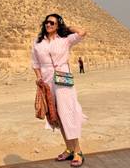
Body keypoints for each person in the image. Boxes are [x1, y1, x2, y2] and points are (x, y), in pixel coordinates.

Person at [31, 14, 87, 167]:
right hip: (47, 80)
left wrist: (66, 28)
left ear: (57, 25)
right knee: (57, 116)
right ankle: (69, 149)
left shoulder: (65, 40)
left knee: (68, 112)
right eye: (47, 22)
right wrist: (38, 78)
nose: (48, 25)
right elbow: (35, 63)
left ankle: (78, 151)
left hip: (62, 77)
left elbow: (82, 32)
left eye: (52, 23)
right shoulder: (37, 43)